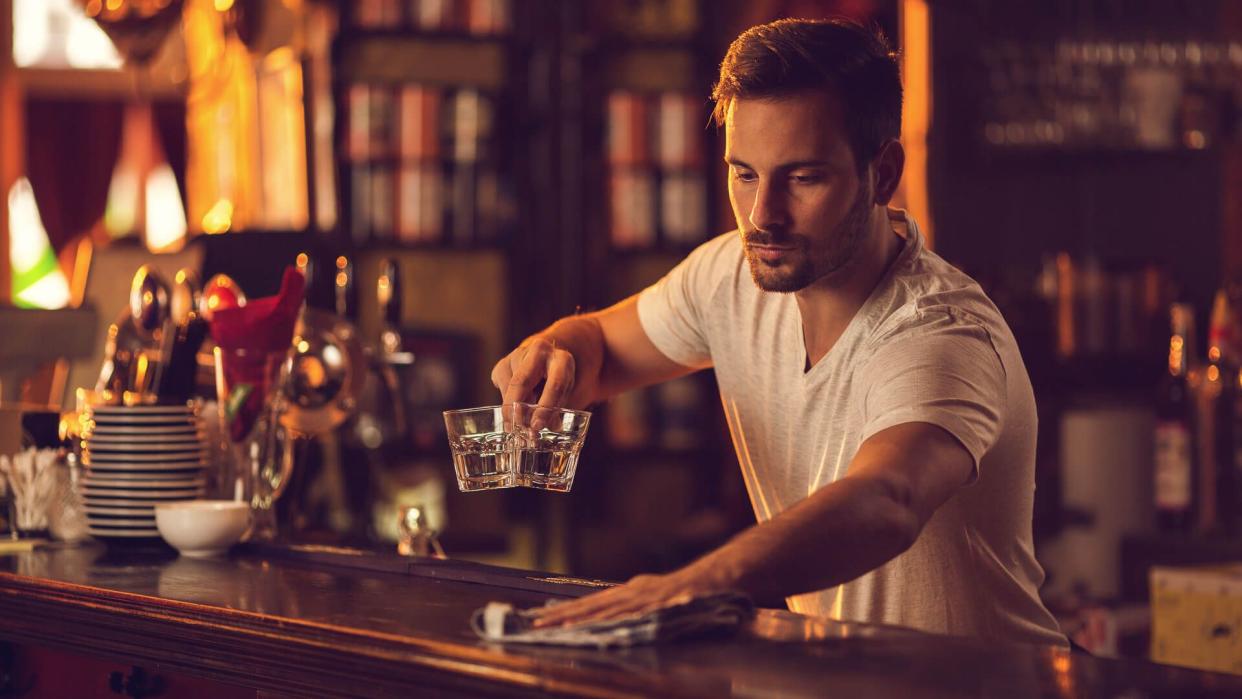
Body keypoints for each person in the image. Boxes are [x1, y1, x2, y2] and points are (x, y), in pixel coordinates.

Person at [491, 17, 1066, 646]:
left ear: (884, 173)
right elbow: (600, 346)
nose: (763, 216)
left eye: (803, 177)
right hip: (836, 678)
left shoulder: (939, 332)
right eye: (744, 174)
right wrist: (558, 349)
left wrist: (694, 584)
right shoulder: (729, 276)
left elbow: (889, 500)